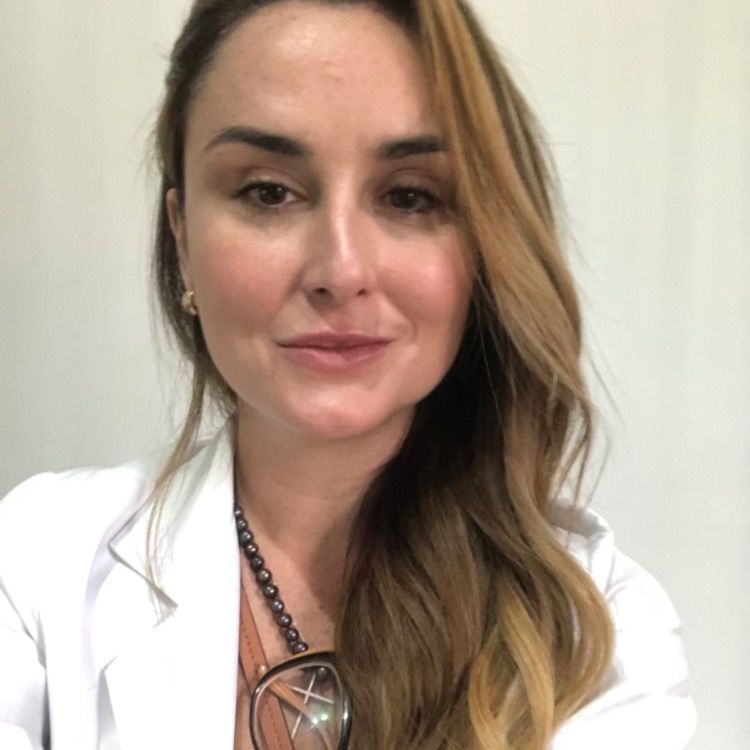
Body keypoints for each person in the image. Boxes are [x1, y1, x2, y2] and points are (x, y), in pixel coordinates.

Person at [0, 1, 696, 748]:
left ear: (486, 246)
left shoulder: (600, 632)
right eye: (268, 191)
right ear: (183, 238)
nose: (341, 270)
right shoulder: (38, 563)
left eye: (409, 195)